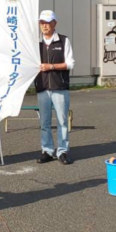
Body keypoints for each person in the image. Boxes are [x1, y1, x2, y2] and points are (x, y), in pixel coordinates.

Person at [35, 10, 75, 165]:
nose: (45, 26)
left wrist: (51, 66)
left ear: (54, 23)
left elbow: (70, 63)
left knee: (62, 121)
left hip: (60, 87)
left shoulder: (63, 41)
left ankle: (63, 151)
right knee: (44, 122)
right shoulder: (34, 43)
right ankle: (47, 150)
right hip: (42, 87)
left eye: (48, 22)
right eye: (42, 22)